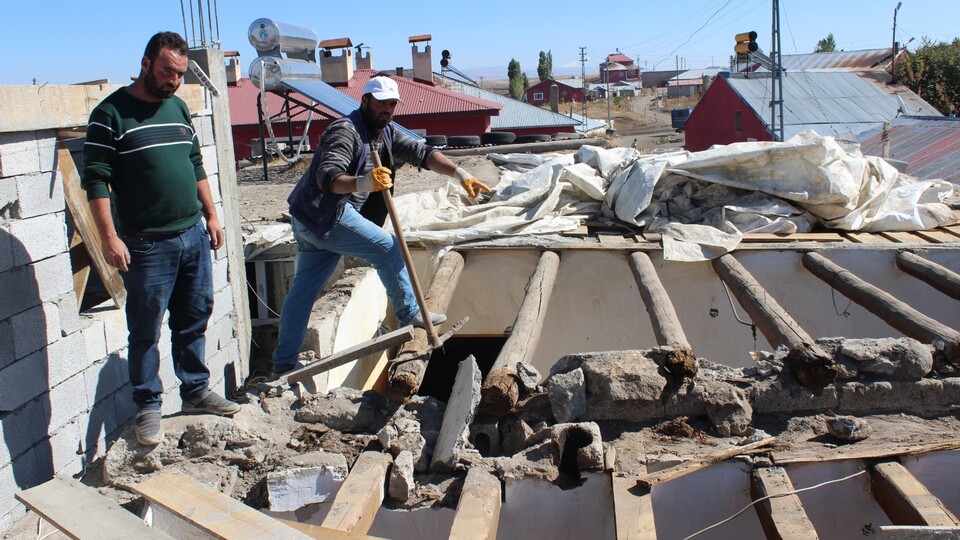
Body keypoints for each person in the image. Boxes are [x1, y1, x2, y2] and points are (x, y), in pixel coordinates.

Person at [273, 76, 491, 376]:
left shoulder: (386, 133)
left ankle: (283, 364)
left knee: (303, 293)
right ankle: (410, 315)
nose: (388, 109)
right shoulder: (345, 131)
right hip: (327, 215)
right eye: (382, 103)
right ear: (365, 101)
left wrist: (460, 173)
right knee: (388, 248)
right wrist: (364, 182)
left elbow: (422, 153)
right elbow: (328, 176)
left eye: (392, 104)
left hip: (311, 220)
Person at [82, 31, 240, 446]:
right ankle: (148, 406)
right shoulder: (110, 114)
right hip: (146, 244)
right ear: (146, 62)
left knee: (194, 318)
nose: (174, 80)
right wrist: (108, 238)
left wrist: (211, 214)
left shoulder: (178, 108)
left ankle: (196, 390)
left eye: (181, 74)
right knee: (146, 328)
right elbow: (96, 180)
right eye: (168, 70)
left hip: (192, 235)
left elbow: (195, 162)